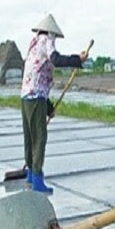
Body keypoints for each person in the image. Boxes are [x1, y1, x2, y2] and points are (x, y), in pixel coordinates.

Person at [20, 13, 88, 194]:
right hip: (35, 96)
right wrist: (77, 60)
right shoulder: (46, 40)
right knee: (39, 139)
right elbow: (56, 60)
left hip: (27, 96)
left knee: (30, 136)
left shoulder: (34, 43)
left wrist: (48, 108)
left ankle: (29, 176)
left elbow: (38, 74)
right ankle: (37, 180)